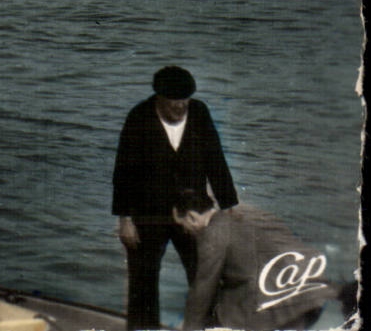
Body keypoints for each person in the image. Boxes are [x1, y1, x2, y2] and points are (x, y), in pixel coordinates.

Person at [112, 65, 239, 331]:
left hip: (194, 213)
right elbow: (124, 171)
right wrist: (125, 220)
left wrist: (228, 209)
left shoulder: (199, 113)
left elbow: (215, 160)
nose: (181, 107)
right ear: (159, 98)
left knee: (206, 278)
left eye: (185, 100)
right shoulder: (139, 117)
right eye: (174, 102)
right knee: (142, 284)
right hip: (147, 213)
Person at [174, 189, 334, 331]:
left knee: (224, 311)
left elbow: (203, 286)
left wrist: (189, 326)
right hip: (313, 292)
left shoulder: (212, 233)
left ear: (192, 216)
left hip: (279, 302)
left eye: (183, 225)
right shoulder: (246, 213)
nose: (185, 231)